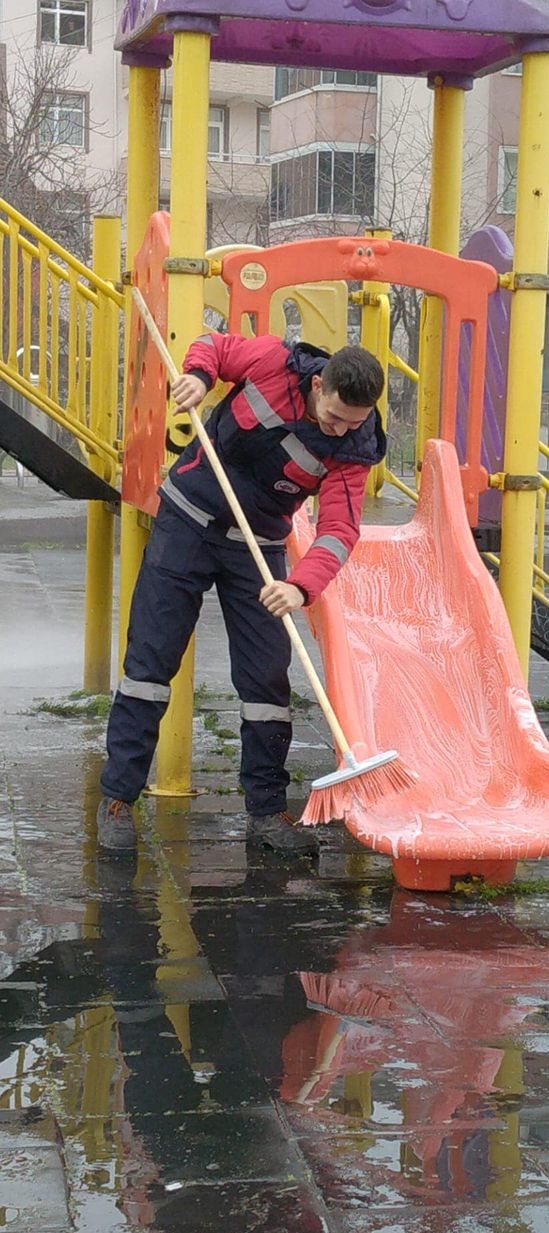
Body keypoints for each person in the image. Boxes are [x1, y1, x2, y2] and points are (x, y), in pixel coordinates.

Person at [96, 330, 385, 854]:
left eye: (353, 422)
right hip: (186, 520)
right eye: (336, 415)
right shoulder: (275, 361)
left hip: (259, 549)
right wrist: (197, 379)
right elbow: (215, 346)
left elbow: (341, 530)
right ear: (318, 383)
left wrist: (301, 588)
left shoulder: (354, 450)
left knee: (267, 681)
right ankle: (118, 799)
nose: (340, 429)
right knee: (150, 664)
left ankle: (269, 814)